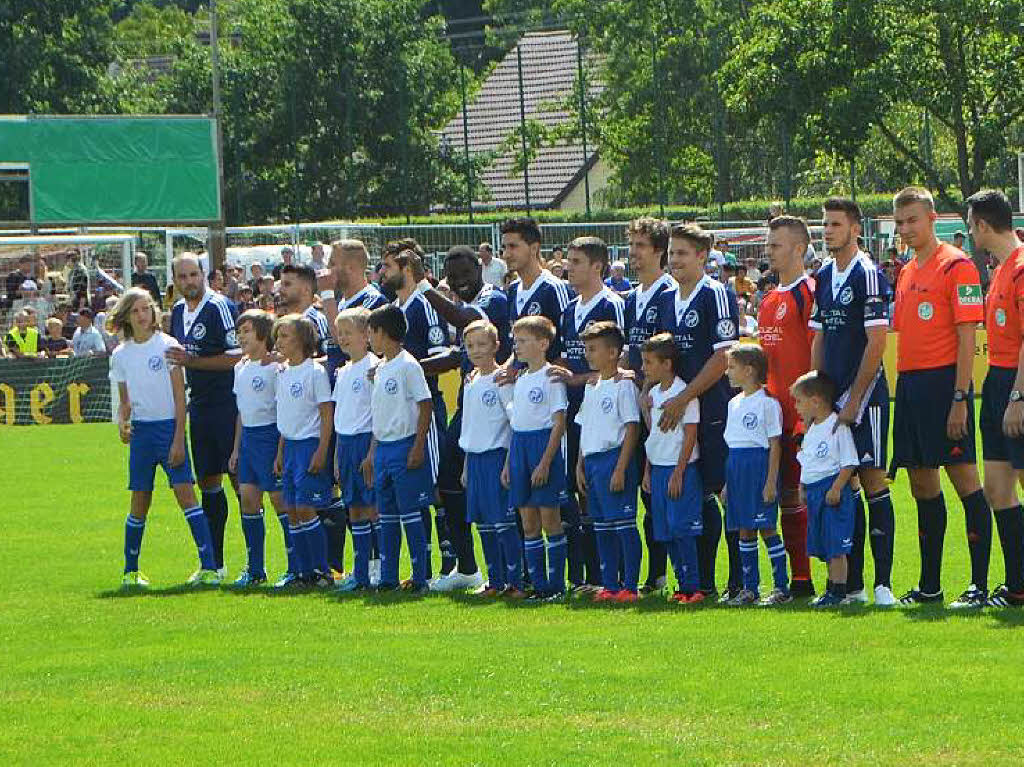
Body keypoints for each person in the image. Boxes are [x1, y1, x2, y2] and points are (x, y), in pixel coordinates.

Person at [890, 186, 991, 607]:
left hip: (944, 386)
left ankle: (980, 586)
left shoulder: (958, 266)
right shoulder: (907, 270)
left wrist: (959, 397)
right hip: (910, 387)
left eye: (912, 219)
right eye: (899, 222)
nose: (906, 229)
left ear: (933, 219)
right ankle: (930, 586)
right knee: (920, 483)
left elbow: (968, 337)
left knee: (965, 480)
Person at [813, 198, 896, 606]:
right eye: (825, 224)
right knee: (843, 488)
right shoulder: (824, 274)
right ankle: (855, 585)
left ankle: (884, 585)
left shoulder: (869, 274)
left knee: (872, 480)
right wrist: (818, 397)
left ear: (855, 229)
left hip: (867, 399)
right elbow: (820, 336)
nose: (828, 230)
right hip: (835, 401)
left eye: (836, 224)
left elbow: (877, 342)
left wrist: (854, 399)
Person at [108, 287, 219, 588]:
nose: (143, 315)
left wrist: (178, 439)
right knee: (139, 500)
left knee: (186, 496)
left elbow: (179, 398)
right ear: (126, 317)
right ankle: (130, 572)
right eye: (136, 311)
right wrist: (122, 423)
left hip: (168, 429)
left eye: (147, 308)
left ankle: (209, 568)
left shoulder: (167, 345)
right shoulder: (120, 355)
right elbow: (125, 401)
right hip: (142, 433)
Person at [418, 245, 512, 592]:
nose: (458, 282)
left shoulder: (494, 299)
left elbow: (468, 322)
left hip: (494, 407)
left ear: (480, 268)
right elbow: (458, 354)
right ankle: (468, 566)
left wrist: (423, 287)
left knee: (500, 500)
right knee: (447, 482)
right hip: (469, 403)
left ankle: (509, 573)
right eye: (451, 276)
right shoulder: (464, 304)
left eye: (465, 273)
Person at [655, 223, 740, 601]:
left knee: (724, 492)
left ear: (703, 257)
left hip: (712, 407)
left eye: (682, 253)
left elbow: (723, 357)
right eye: (671, 253)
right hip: (678, 412)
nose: (674, 260)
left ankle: (739, 581)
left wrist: (685, 396)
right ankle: (701, 581)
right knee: (694, 495)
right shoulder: (667, 298)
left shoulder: (716, 294)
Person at [550, 237, 624, 591]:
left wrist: (576, 378)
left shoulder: (612, 305)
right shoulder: (568, 309)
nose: (569, 268)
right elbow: (565, 358)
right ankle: (590, 575)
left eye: (577, 261)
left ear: (597, 266)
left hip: (607, 412)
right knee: (581, 491)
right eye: (569, 261)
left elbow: (620, 366)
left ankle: (622, 577)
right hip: (575, 411)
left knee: (610, 495)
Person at [380, 240, 455, 581]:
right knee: (415, 489)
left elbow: (443, 358)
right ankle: (424, 565)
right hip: (400, 414)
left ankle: (452, 561)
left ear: (407, 268)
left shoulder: (425, 304)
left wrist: (400, 368)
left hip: (426, 407)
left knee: (436, 484)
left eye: (388, 267)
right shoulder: (396, 305)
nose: (383, 273)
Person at [966, 189, 1024, 607]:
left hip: (1016, 385)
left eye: (970, 225)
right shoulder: (1000, 269)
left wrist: (1019, 396)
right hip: (997, 383)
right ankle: (1017, 585)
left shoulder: (1021, 268)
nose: (970, 233)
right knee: (997, 489)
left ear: (983, 225)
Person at [168, 253, 241, 577]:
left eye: (193, 275)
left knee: (244, 484)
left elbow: (236, 357)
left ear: (203, 275)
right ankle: (215, 564)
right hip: (199, 406)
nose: (188, 282)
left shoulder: (220, 306)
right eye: (182, 277)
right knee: (209, 482)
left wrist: (192, 362)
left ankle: (258, 565)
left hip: (229, 405)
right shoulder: (177, 311)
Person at [758, 215, 816, 597]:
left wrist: (811, 411)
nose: (768, 251)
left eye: (776, 245)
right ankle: (795, 579)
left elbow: (817, 353)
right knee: (779, 499)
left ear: (798, 248)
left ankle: (818, 579)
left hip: (801, 417)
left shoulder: (808, 293)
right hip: (772, 416)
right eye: (769, 244)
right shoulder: (769, 299)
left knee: (805, 497)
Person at [366, 304, 435, 593]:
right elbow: (378, 414)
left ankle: (421, 577)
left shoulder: (408, 365)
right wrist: (372, 453)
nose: (369, 338)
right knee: (387, 515)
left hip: (405, 445)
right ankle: (389, 577)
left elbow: (425, 405)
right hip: (384, 449)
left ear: (383, 333)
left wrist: (418, 446)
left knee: (411, 513)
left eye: (371, 332)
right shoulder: (379, 368)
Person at [623, 217, 676, 592]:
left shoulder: (669, 292)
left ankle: (691, 574)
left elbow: (671, 353)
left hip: (665, 406)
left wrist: (653, 388)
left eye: (642, 246)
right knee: (647, 492)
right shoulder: (631, 297)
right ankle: (656, 573)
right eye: (632, 246)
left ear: (659, 251)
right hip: (640, 406)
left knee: (675, 489)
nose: (634, 254)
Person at [574, 321, 642, 602]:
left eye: (593, 349)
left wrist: (621, 468)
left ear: (613, 352)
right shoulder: (592, 386)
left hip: (614, 459)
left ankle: (630, 586)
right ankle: (610, 585)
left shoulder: (623, 386)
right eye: (586, 349)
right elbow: (584, 426)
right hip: (592, 462)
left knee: (624, 525)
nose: (588, 355)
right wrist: (579, 464)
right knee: (601, 527)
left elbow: (632, 428)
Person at [504, 315, 570, 602]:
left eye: (522, 341)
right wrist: (509, 462)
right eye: (515, 341)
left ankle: (556, 586)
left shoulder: (552, 377)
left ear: (543, 344)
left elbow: (559, 423)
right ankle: (538, 584)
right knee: (528, 522)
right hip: (519, 447)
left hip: (542, 447)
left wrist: (545, 462)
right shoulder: (520, 379)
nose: (516, 347)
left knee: (549, 519)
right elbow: (515, 424)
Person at [227, 309, 290, 589]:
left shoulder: (276, 369)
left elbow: (284, 411)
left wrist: (279, 450)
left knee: (280, 502)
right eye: (239, 332)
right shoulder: (239, 368)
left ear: (264, 334)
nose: (241, 336)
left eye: (247, 331)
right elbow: (242, 412)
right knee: (249, 501)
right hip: (249, 442)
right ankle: (255, 569)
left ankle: (295, 566)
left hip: (270, 437)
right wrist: (236, 449)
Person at [722, 345, 790, 606]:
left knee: (767, 527)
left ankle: (781, 587)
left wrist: (771, 481)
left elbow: (775, 444)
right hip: (736, 467)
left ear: (749, 370)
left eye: (731, 367)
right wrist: (729, 483)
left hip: (758, 466)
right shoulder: (733, 403)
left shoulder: (767, 403)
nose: (727, 372)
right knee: (744, 529)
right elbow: (733, 444)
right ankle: (750, 588)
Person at [459, 319, 522, 597]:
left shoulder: (501, 379)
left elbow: (512, 422)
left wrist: (509, 462)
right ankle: (494, 581)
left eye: (482, 344)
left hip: (496, 457)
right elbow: (469, 425)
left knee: (503, 525)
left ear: (496, 346)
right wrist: (465, 465)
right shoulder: (469, 380)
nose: (475, 350)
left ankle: (515, 581)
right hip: (474, 460)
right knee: (483, 524)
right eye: (470, 345)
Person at [270, 314, 334, 588]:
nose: (279, 341)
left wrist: (321, 450)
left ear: (302, 339)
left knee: (306, 508)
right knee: (292, 510)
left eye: (284, 336)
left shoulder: (315, 372)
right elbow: (286, 417)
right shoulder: (282, 372)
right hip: (291, 446)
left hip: (309, 445)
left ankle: (322, 571)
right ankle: (302, 572)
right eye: (278, 336)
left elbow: (326, 414)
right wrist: (280, 452)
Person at [642, 333, 703, 603]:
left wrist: (679, 472)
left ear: (666, 364)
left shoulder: (684, 394)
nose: (644, 367)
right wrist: (647, 470)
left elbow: (690, 435)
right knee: (665, 530)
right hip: (658, 468)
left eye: (649, 362)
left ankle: (694, 586)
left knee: (682, 528)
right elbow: (653, 435)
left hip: (680, 470)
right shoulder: (654, 394)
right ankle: (681, 585)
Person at [792, 371, 859, 607]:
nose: (796, 407)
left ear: (816, 401)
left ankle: (839, 592)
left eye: (799, 401)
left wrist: (837, 488)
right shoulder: (810, 430)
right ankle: (830, 588)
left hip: (831, 491)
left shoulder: (836, 426)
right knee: (822, 542)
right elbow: (807, 461)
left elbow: (849, 461)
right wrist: (802, 486)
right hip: (814, 492)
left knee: (836, 544)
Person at [331, 308, 380, 593]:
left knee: (373, 508)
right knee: (355, 510)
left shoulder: (374, 369)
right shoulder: (344, 371)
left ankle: (379, 569)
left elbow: (376, 413)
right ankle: (361, 572)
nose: (343, 338)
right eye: (340, 334)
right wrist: (337, 456)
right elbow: (341, 416)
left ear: (366, 335)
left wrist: (372, 452)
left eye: (348, 332)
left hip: (365, 443)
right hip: (346, 444)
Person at [502, 218, 573, 362]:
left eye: (513, 246)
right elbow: (516, 347)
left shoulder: (553, 288)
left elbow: (568, 343)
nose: (506, 255)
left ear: (534, 248)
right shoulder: (513, 289)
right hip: (523, 380)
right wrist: (504, 369)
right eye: (504, 248)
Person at [318, 239, 389, 379]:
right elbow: (335, 353)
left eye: (332, 263)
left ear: (351, 268)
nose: (327, 268)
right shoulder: (339, 304)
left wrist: (326, 293)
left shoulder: (373, 301)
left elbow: (341, 339)